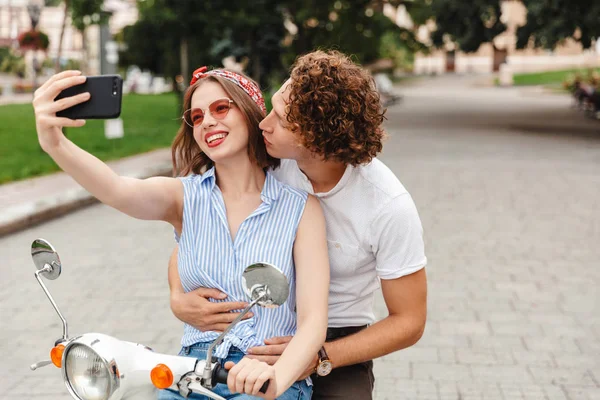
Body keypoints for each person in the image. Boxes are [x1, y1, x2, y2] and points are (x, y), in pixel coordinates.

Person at [32, 68, 330, 399]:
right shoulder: (183, 197)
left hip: (267, 375)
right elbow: (117, 190)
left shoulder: (302, 208)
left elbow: (314, 322)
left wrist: (276, 379)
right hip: (191, 374)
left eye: (221, 108)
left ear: (249, 111)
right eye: (197, 116)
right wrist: (54, 142)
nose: (208, 122)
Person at [169, 50, 428, 400]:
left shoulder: (388, 206)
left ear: (315, 140)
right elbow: (198, 228)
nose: (264, 124)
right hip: (262, 326)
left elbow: (409, 322)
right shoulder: (271, 160)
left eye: (279, 118)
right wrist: (177, 297)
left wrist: (320, 357)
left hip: (340, 339)